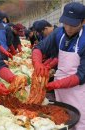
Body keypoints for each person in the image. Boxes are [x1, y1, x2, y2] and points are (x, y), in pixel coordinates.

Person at [32, 2, 85, 130]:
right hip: (60, 87)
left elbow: (81, 76)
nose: (68, 28)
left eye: (73, 25)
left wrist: (55, 84)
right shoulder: (58, 33)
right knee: (62, 120)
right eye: (66, 23)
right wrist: (38, 64)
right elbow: (39, 48)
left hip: (78, 90)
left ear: (83, 21)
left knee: (80, 122)